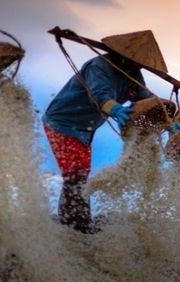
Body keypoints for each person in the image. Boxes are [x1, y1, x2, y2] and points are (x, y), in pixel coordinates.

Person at [43, 30, 165, 233]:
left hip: (86, 129)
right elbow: (99, 94)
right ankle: (76, 225)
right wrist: (115, 108)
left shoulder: (133, 75)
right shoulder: (99, 66)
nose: (139, 66)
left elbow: (144, 101)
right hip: (62, 121)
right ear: (124, 56)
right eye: (136, 62)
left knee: (80, 174)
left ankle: (77, 222)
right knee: (76, 175)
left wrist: (167, 123)